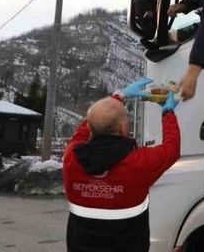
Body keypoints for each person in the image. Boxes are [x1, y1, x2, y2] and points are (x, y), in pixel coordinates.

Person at [62, 80, 179, 252]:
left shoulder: (71, 158)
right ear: (124, 129)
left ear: (90, 128)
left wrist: (119, 97)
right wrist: (168, 112)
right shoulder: (139, 163)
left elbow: (83, 130)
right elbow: (172, 148)